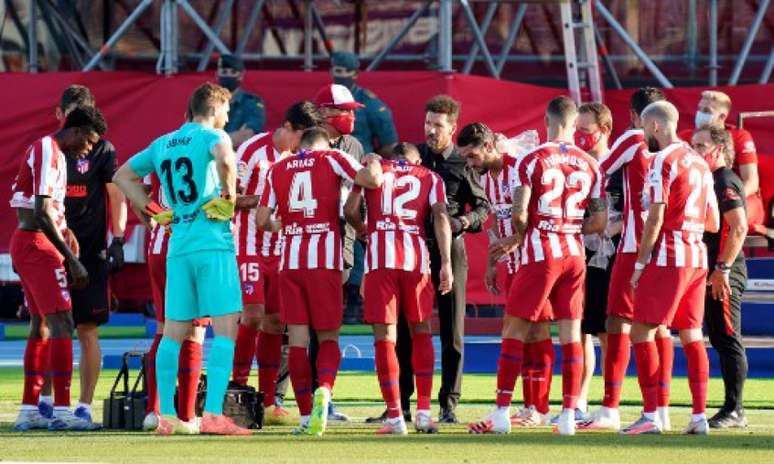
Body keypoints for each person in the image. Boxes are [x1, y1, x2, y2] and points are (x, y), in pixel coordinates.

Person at [113, 82, 249, 435]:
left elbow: (122, 176)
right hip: (212, 242)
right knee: (226, 329)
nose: (227, 118)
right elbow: (225, 157)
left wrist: (153, 210)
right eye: (227, 112)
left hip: (177, 244)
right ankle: (214, 414)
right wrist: (229, 195)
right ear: (216, 108)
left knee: (172, 332)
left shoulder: (163, 143)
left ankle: (168, 417)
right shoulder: (211, 137)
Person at [468, 96, 606, 436]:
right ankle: (570, 416)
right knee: (572, 335)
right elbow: (600, 220)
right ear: (574, 124)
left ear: (547, 121)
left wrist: (523, 233)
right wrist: (569, 226)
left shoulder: (531, 159)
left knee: (514, 331)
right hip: (574, 251)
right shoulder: (590, 163)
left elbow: (519, 213)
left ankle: (502, 412)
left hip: (540, 251)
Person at [254, 127, 383, 436]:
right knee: (328, 337)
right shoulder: (333, 157)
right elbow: (371, 180)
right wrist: (375, 162)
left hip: (291, 259)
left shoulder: (277, 167)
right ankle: (324, 388)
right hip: (325, 258)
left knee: (297, 339)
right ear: (324, 143)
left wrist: (281, 224)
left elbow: (262, 221)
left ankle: (303, 415)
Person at [622, 101, 719, 436]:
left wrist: (640, 262)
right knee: (692, 334)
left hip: (669, 254)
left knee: (641, 331)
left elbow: (655, 217)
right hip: (697, 255)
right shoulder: (700, 162)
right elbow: (715, 222)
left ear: (655, 127)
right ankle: (698, 417)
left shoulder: (662, 159)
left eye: (646, 127)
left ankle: (650, 415)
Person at [344, 142, 452, 435]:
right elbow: (441, 217)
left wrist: (365, 230)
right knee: (421, 331)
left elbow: (350, 210)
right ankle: (425, 413)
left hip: (381, 260)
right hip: (417, 260)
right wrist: (446, 263)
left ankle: (394, 417)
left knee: (386, 338)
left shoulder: (374, 171)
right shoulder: (430, 177)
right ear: (415, 159)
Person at [581, 87, 671, 432]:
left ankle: (610, 408)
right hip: (667, 247)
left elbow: (596, 169)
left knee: (618, 322)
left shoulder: (634, 137)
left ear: (636, 116)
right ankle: (661, 408)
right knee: (659, 326)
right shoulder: (682, 152)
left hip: (633, 243)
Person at [11, 106, 107, 431]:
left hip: (36, 242)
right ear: (77, 131)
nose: (89, 149)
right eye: (90, 142)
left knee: (42, 325)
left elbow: (49, 209)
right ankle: (64, 412)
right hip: (36, 244)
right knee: (63, 321)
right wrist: (71, 257)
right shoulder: (46, 149)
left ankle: (29, 409)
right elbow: (39, 210)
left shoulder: (57, 155)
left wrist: (66, 232)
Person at [231, 101, 324, 423]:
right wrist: (266, 201)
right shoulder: (252, 150)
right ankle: (238, 389)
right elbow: (226, 199)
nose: (302, 144)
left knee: (275, 323)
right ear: (287, 127)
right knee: (253, 314)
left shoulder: (301, 159)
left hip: (281, 249)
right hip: (248, 245)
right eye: (300, 136)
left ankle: (269, 401)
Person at [457, 123, 555, 427]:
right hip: (513, 264)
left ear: (488, 146)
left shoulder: (519, 169)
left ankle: (536, 407)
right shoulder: (490, 178)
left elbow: (537, 214)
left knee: (533, 333)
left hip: (535, 259)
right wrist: (491, 262)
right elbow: (499, 222)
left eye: (472, 155)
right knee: (525, 335)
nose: (470, 163)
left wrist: (515, 241)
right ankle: (531, 407)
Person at [55, 85, 127, 428]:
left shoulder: (102, 150)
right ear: (61, 117)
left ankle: (82, 407)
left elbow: (116, 194)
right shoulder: (49, 149)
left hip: (90, 252)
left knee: (87, 329)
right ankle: (45, 405)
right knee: (47, 327)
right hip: (52, 248)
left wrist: (118, 238)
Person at [417, 95, 490, 423]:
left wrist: (462, 222)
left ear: (453, 128)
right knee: (410, 327)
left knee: (452, 329)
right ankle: (403, 404)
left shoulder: (462, 164)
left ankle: (449, 404)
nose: (431, 130)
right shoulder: (412, 158)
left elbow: (484, 208)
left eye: (438, 125)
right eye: (428, 122)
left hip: (452, 251)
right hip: (414, 250)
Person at [141, 167, 209, 432]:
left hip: (160, 246)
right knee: (194, 332)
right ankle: (186, 417)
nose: (225, 121)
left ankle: (154, 411)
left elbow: (133, 186)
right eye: (222, 120)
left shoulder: (162, 148)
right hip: (193, 248)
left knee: (164, 328)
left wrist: (156, 220)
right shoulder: (212, 149)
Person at [691, 125, 749, 428]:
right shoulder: (710, 179)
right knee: (718, 336)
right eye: (694, 145)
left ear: (719, 149)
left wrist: (722, 269)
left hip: (723, 271)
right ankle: (731, 407)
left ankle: (735, 409)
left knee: (727, 338)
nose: (695, 151)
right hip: (712, 269)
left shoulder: (724, 179)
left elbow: (739, 227)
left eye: (701, 146)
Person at [572, 102, 617, 423]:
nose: (580, 137)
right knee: (580, 328)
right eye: (577, 130)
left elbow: (627, 214)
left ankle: (609, 403)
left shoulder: (615, 165)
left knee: (606, 330)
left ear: (603, 130)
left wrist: (602, 228)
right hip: (581, 251)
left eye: (586, 131)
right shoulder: (578, 163)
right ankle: (579, 400)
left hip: (609, 253)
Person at [679, 90, 763, 229]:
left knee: (731, 213)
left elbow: (751, 182)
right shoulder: (685, 135)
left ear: (722, 116)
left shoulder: (739, 136)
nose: (700, 114)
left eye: (706, 110)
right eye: (699, 109)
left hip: (736, 195)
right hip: (698, 196)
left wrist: (723, 200)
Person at [329, 51, 398, 156]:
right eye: (338, 71)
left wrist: (372, 159)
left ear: (356, 74)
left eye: (347, 71)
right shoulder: (323, 99)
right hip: (328, 162)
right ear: (331, 72)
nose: (342, 75)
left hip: (360, 163)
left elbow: (389, 144)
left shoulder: (368, 102)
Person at [217, 54, 266, 148]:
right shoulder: (207, 102)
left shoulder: (253, 102)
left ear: (240, 76)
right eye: (224, 71)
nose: (228, 75)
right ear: (217, 75)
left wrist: (214, 143)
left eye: (233, 72)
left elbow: (247, 134)